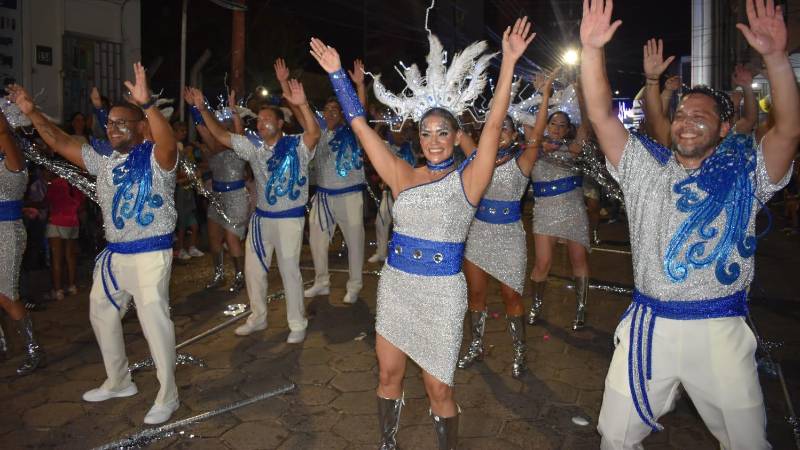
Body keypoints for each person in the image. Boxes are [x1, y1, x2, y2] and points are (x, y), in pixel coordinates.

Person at [579, 1, 799, 448]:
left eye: (701, 117)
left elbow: (788, 133)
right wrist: (591, 50)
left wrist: (776, 58)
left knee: (747, 441)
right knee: (615, 437)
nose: (686, 123)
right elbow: (601, 115)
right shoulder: (643, 169)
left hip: (720, 333)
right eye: (681, 114)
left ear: (724, 129)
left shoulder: (745, 176)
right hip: (648, 329)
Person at [310, 16, 535, 448]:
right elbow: (360, 127)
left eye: (443, 132)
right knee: (388, 375)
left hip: (442, 293)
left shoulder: (470, 179)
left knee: (439, 389)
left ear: (455, 136)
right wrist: (337, 75)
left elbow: (492, 127)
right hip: (397, 286)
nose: (433, 141)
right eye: (427, 132)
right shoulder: (401, 174)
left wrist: (508, 62)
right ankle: (387, 444)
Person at [9, 62, 182, 425]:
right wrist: (31, 112)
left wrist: (147, 104)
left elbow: (168, 143)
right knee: (101, 313)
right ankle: (119, 382)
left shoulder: (156, 158)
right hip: (115, 255)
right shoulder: (105, 163)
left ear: (141, 127)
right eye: (110, 123)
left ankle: (168, 395)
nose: (112, 128)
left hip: (150, 253)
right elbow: (60, 142)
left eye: (121, 123)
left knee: (154, 321)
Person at [189, 76, 321, 343]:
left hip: (289, 220)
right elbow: (221, 135)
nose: (260, 124)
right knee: (253, 270)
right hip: (261, 220)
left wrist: (303, 104)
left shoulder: (296, 145)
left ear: (280, 123)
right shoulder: (254, 148)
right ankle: (258, 317)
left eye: (266, 119)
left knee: (289, 271)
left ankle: (297, 323)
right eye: (258, 120)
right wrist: (202, 109)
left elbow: (315, 133)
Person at [457, 71, 561, 378]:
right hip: (478, 234)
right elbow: (456, 129)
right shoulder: (476, 157)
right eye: (495, 126)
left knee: (512, 297)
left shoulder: (523, 160)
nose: (500, 131)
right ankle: (476, 345)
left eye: (506, 127)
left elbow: (538, 132)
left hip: (509, 237)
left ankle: (519, 351)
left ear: (515, 135)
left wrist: (545, 96)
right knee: (476, 296)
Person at [298, 59, 368, 305]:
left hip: (349, 195)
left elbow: (359, 111)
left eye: (335, 110)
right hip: (323, 196)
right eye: (327, 110)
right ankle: (321, 281)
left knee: (355, 242)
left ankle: (355, 285)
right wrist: (290, 92)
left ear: (342, 114)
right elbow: (301, 115)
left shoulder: (353, 131)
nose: (330, 113)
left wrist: (359, 86)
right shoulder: (318, 133)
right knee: (317, 240)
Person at [526, 79, 593, 330]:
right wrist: (541, 93)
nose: (557, 128)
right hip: (545, 211)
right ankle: (536, 305)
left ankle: (581, 308)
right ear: (545, 124)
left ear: (568, 129)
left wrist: (582, 95)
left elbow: (587, 125)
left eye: (562, 125)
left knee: (578, 260)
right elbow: (526, 121)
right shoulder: (534, 146)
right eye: (553, 123)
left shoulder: (572, 149)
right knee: (542, 263)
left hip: (573, 210)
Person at [0, 105, 45, 374]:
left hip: (7, 232)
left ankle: (34, 350)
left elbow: (4, 133)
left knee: (7, 294)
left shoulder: (14, 160)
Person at [43, 169, 84, 300]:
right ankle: (72, 286)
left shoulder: (55, 184)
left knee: (56, 258)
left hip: (57, 221)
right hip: (73, 222)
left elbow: (46, 202)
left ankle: (58, 290)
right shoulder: (74, 184)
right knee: (70, 256)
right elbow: (81, 205)